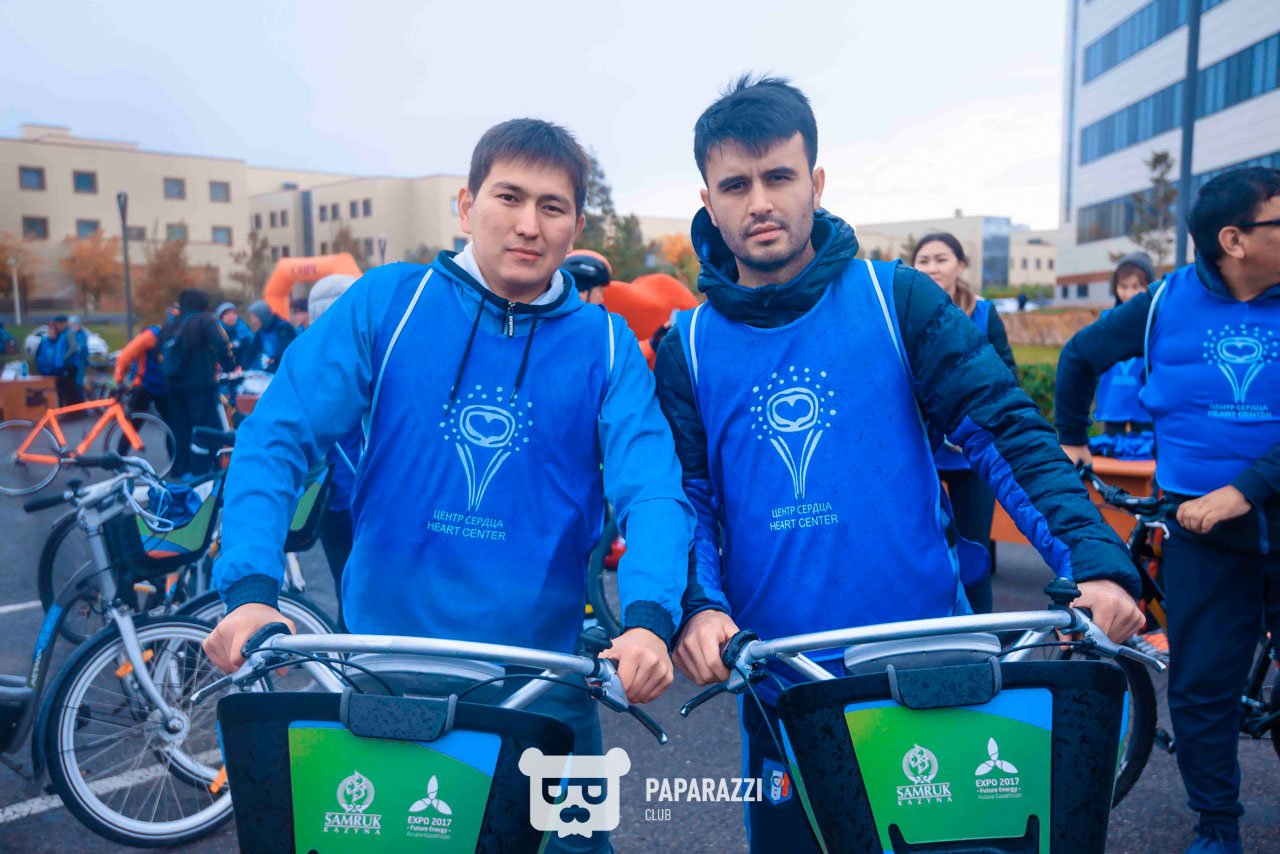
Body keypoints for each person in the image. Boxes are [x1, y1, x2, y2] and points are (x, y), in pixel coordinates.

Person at [654, 75, 1143, 852]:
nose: (761, 203)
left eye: (780, 177)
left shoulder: (897, 299)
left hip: (926, 672)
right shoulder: (687, 344)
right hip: (782, 685)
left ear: (816, 182)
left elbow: (1005, 432)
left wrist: (1094, 561)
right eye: (736, 186)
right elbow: (687, 500)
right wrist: (700, 606)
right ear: (708, 202)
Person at [203, 118, 694, 853]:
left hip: (546, 684)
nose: (528, 224)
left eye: (553, 207)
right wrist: (250, 591)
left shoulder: (605, 343)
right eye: (509, 197)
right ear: (466, 206)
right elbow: (276, 438)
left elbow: (651, 487)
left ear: (575, 226)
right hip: (387, 676)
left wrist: (649, 618)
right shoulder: (388, 304)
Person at [1056, 166, 1280, 854]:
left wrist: (1247, 488)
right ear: (1234, 240)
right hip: (1200, 534)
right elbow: (1079, 357)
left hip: (1258, 511)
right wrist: (1072, 442)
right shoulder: (1163, 303)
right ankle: (1217, 827)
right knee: (1201, 687)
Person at [912, 232, 1016, 614]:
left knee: (974, 556)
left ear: (960, 264)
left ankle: (983, 636)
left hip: (972, 457)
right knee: (919, 554)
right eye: (923, 260)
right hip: (919, 455)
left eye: (941, 259)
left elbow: (1006, 379)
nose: (932, 268)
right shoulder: (903, 314)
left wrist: (978, 425)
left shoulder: (984, 314)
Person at [304, 274, 362, 631]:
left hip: (326, 493)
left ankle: (346, 653)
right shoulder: (369, 353)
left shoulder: (306, 357)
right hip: (364, 491)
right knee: (369, 588)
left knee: (344, 582)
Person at [160, 289, 236, 478]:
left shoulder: (171, 323)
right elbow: (221, 343)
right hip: (200, 383)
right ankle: (200, 469)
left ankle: (179, 468)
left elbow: (158, 349)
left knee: (179, 427)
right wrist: (229, 366)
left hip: (173, 383)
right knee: (204, 427)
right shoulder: (205, 320)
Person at [1093, 252, 1155, 437]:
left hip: (1146, 410)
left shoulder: (1156, 322)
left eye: (1137, 286)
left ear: (1149, 285)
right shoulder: (1107, 320)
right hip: (1114, 407)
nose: (1129, 294)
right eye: (1123, 286)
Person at [112, 323, 169, 422]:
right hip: (144, 385)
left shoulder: (173, 334)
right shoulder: (150, 336)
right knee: (134, 423)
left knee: (172, 422)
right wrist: (120, 380)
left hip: (164, 386)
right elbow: (125, 356)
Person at [35, 316, 85, 407]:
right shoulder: (61, 334)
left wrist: (63, 358)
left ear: (64, 323)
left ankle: (74, 410)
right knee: (64, 390)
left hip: (68, 366)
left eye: (59, 324)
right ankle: (68, 409)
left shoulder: (69, 333)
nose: (58, 326)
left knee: (70, 390)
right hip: (61, 367)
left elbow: (74, 348)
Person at [242, 300, 298, 373]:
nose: (253, 321)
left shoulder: (283, 328)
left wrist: (275, 358)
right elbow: (252, 351)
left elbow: (286, 347)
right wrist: (243, 368)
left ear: (262, 317)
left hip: (286, 370)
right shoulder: (261, 332)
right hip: (271, 370)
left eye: (254, 317)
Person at [215, 302, 255, 370]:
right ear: (221, 318)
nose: (231, 316)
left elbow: (251, 349)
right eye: (227, 314)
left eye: (233, 313)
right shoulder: (216, 330)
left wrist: (242, 366)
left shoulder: (243, 328)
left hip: (241, 367)